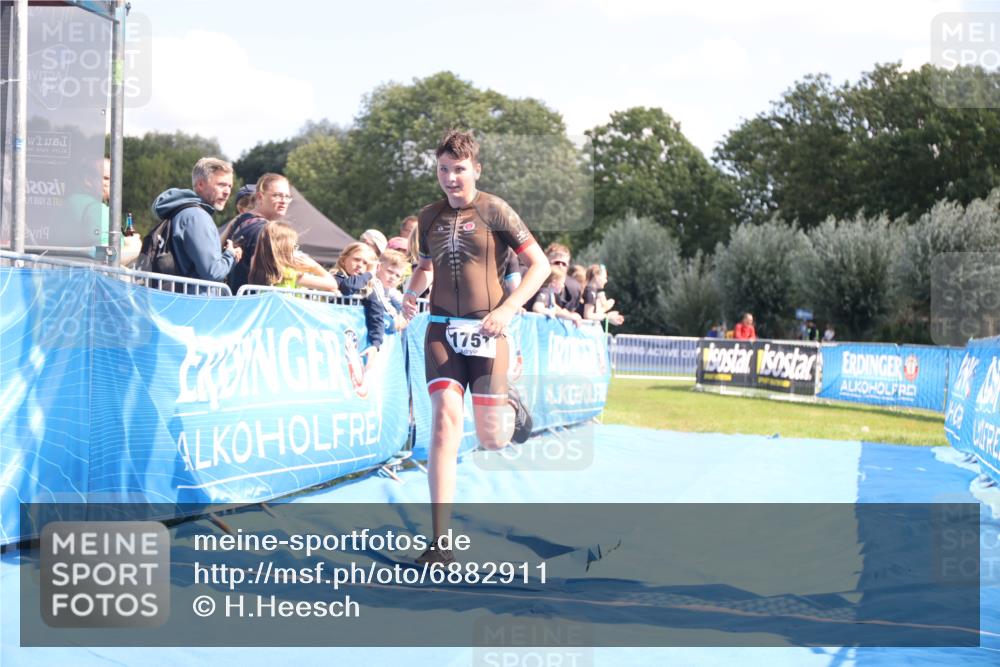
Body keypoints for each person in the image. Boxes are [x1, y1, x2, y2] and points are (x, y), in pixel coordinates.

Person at [401, 130, 550, 565]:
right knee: (445, 422)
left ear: (476, 170)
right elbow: (424, 269)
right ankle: (439, 542)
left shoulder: (494, 209)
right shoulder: (428, 218)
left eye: (459, 169)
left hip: (488, 332)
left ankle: (510, 405)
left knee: (491, 438)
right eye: (443, 170)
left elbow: (539, 265)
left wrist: (508, 309)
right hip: (442, 332)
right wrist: (412, 293)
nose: (450, 178)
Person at [150, 157, 242, 283]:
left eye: (229, 186)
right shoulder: (197, 217)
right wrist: (230, 255)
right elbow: (213, 272)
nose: (227, 192)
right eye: (221, 185)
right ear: (200, 185)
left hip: (178, 297)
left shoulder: (181, 212)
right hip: (194, 300)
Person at [224, 173, 291, 293]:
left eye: (287, 196)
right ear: (260, 197)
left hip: (236, 300)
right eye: (277, 195)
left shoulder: (240, 221)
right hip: (252, 305)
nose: (284, 201)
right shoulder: (263, 229)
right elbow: (263, 275)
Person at [247, 221, 340, 292]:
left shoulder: (257, 266)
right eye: (294, 246)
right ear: (285, 248)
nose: (296, 250)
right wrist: (314, 267)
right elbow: (332, 284)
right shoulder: (289, 275)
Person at [333, 242, 386, 357]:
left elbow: (376, 315)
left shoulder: (368, 288)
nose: (360, 265)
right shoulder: (337, 276)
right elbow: (349, 287)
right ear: (343, 260)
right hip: (332, 337)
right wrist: (369, 273)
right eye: (356, 259)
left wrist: (375, 344)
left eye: (365, 263)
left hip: (355, 343)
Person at [373, 249, 409, 333]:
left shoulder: (390, 289)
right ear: (378, 267)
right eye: (390, 271)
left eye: (397, 275)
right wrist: (395, 317)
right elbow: (381, 302)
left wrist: (403, 316)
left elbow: (404, 303)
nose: (393, 277)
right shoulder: (374, 282)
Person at [541, 242, 581, 311]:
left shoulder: (574, 288)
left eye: (564, 264)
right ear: (547, 262)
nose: (560, 266)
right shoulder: (537, 281)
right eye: (556, 262)